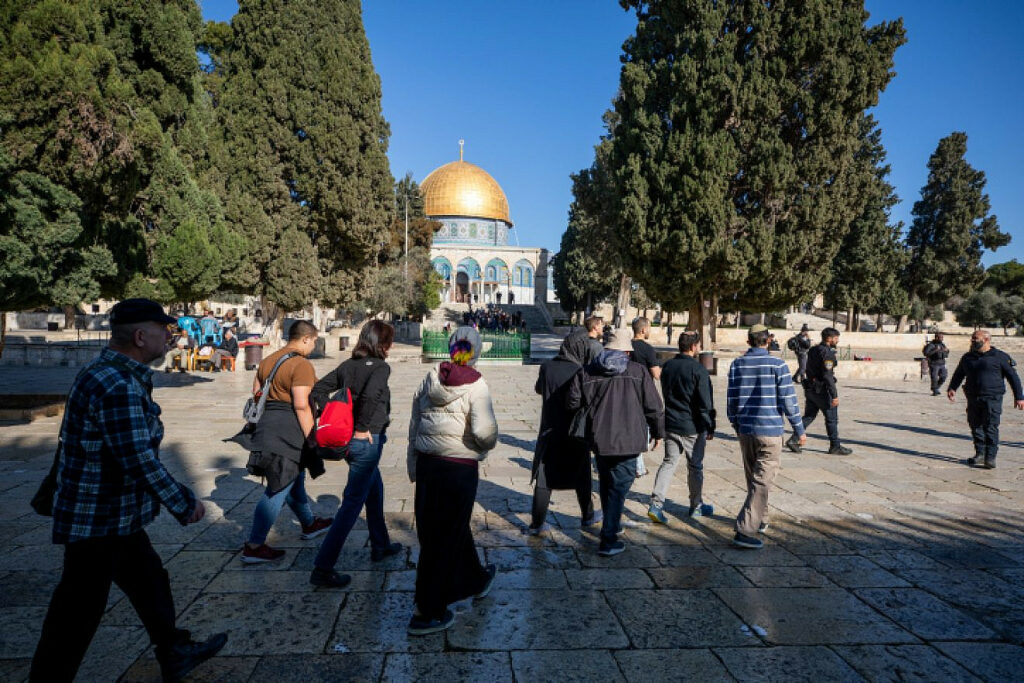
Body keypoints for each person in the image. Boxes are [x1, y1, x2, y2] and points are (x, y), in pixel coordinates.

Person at [31, 298, 226, 682]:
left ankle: (173, 650)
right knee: (77, 610)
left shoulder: (110, 372)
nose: (169, 336)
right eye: (162, 330)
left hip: (114, 516)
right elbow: (136, 459)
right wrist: (183, 502)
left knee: (150, 580)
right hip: (98, 519)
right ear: (140, 336)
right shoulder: (118, 384)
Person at [406, 326, 499, 635]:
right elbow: (484, 433)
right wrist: (485, 445)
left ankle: (475, 579)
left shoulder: (430, 377)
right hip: (458, 468)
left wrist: (413, 464)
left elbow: (415, 422)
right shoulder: (477, 384)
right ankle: (428, 611)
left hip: (429, 466)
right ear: (475, 352)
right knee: (444, 537)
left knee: (439, 529)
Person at [308, 321, 402, 588]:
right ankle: (323, 567)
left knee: (375, 491)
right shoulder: (381, 368)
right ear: (381, 343)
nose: (391, 346)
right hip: (366, 443)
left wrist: (338, 413)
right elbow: (372, 397)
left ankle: (380, 544)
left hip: (352, 443)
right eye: (389, 340)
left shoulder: (348, 366)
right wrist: (360, 428)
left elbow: (317, 391)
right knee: (351, 504)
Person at [240, 320, 333, 563]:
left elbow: (256, 393)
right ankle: (254, 545)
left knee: (293, 478)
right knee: (277, 489)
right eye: (314, 341)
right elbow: (302, 404)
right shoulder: (300, 364)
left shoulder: (268, 360)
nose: (314, 345)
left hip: (266, 428)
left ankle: (309, 524)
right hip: (287, 432)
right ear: (305, 339)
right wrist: (313, 437)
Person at [568, 328, 664, 556]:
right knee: (620, 485)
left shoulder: (587, 371)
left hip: (600, 438)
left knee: (607, 482)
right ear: (627, 352)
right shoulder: (638, 371)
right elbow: (654, 406)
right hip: (630, 438)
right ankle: (608, 538)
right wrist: (659, 432)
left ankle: (613, 524)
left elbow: (572, 402)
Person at [727, 324, 805, 550]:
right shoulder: (778, 365)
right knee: (762, 481)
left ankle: (761, 518)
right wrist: (799, 429)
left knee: (755, 479)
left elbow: (731, 400)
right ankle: (745, 530)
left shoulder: (737, 364)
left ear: (748, 341)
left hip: (746, 430)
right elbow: (788, 400)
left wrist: (736, 423)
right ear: (768, 340)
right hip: (769, 431)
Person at [528, 333, 601, 536]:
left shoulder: (547, 367)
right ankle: (587, 516)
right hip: (575, 432)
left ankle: (537, 523)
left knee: (544, 479)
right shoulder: (582, 370)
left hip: (550, 430)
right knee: (582, 476)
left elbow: (539, 389)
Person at [648, 331, 716, 524]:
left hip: (670, 423)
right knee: (695, 466)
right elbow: (705, 403)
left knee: (669, 463)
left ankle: (656, 504)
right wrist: (710, 425)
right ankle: (696, 506)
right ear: (694, 347)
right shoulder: (698, 370)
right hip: (691, 427)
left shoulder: (668, 366)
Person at [947, 329, 1024, 469]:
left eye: (975, 338)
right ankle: (980, 454)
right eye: (972, 338)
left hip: (992, 397)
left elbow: (1013, 377)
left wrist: (1019, 397)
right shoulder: (967, 357)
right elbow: (959, 373)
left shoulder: (1000, 357)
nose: (972, 341)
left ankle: (990, 457)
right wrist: (952, 388)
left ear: (986, 340)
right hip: (973, 397)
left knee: (991, 426)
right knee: (975, 426)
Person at [787, 327, 852, 456]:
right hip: (823, 391)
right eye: (836, 338)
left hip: (811, 389)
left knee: (809, 416)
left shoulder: (813, 349)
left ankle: (794, 440)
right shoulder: (827, 354)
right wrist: (834, 395)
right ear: (829, 338)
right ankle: (835, 446)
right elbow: (828, 376)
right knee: (831, 419)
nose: (837, 340)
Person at [630, 317, 661, 477]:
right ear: (643, 330)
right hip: (643, 392)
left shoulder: (627, 346)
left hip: (627, 390)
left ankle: (638, 464)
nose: (650, 330)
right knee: (644, 429)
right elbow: (656, 374)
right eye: (649, 328)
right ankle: (637, 465)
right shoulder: (647, 349)